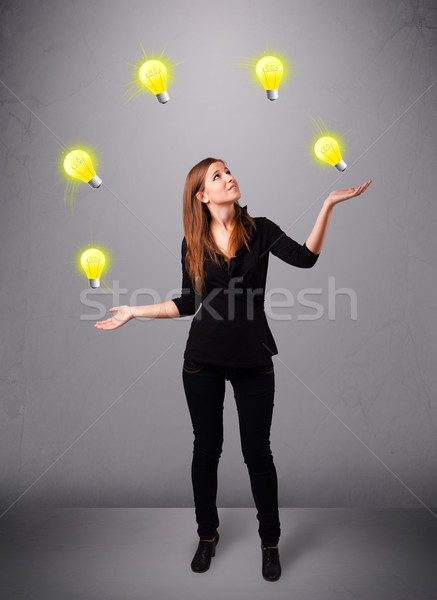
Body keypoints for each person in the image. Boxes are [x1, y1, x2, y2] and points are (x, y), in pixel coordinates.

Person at [94, 157, 372, 582]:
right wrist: (134, 310)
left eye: (229, 170)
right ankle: (207, 537)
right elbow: (188, 303)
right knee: (206, 451)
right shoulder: (193, 241)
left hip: (253, 359)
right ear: (202, 196)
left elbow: (306, 258)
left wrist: (327, 206)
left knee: (257, 454)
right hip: (201, 361)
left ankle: (270, 543)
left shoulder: (261, 228)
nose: (230, 177)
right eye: (218, 176)